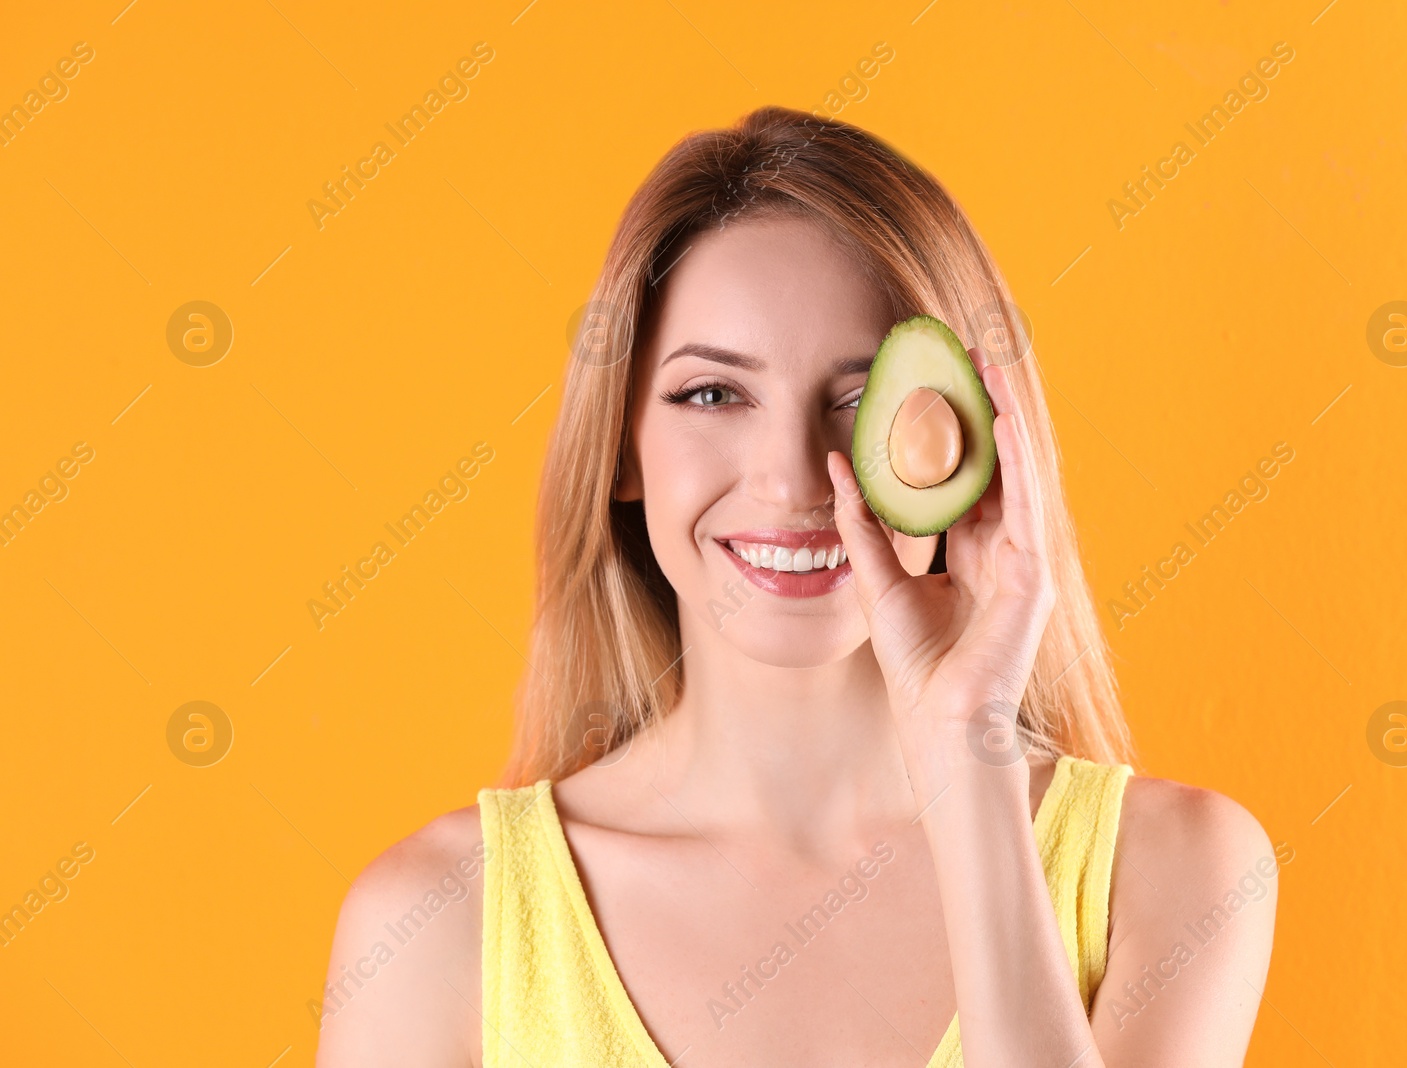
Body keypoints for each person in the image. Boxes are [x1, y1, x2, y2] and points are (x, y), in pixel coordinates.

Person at [315, 106, 1277, 1068]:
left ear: (971, 448)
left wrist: (966, 755)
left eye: (861, 399)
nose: (794, 476)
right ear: (620, 447)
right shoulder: (434, 928)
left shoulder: (1175, 873)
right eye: (712, 393)